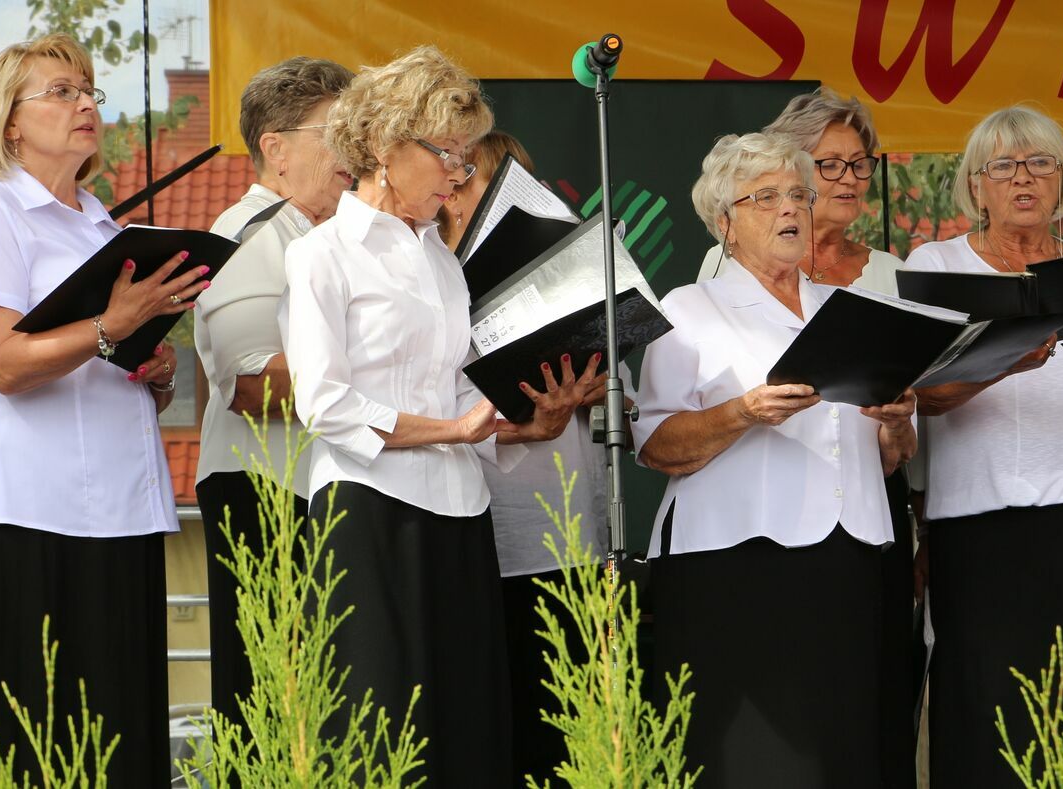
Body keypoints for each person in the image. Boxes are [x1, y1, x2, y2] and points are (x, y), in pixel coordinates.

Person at [282, 45, 600, 787]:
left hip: (461, 510)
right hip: (369, 511)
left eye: (464, 157)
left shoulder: (441, 260)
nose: (459, 175)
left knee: (467, 719)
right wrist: (454, 431)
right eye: (447, 154)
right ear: (385, 145)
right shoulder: (323, 253)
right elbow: (323, 402)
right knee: (386, 723)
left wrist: (525, 425)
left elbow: (456, 394)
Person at [0, 33, 209, 786]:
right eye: (61, 91)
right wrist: (110, 327)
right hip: (20, 509)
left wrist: (154, 368)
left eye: (89, 90)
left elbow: (107, 357)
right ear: (10, 121)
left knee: (116, 739)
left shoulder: (107, 229)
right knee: (26, 741)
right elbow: (1, 362)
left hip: (121, 510)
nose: (85, 102)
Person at [633, 132, 916, 787]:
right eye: (765, 197)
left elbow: (892, 459)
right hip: (737, 562)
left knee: (842, 748)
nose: (789, 208)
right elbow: (656, 445)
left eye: (798, 195)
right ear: (724, 223)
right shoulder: (689, 308)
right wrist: (743, 412)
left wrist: (896, 424)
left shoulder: (849, 311)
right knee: (751, 758)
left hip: (848, 559)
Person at [905, 105, 1063, 788]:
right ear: (975, 186)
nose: (1024, 178)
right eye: (1004, 166)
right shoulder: (937, 265)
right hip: (983, 535)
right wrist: (1003, 362)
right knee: (991, 721)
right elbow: (920, 395)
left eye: (1041, 163)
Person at [439, 129, 623, 786]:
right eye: (487, 184)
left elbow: (619, 384)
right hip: (480, 526)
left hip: (569, 529)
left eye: (519, 186)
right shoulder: (430, 272)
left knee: (566, 733)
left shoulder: (565, 259)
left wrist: (599, 382)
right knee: (492, 725)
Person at [194, 56, 353, 741]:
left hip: (315, 495)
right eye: (336, 133)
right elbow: (253, 386)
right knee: (272, 714)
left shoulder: (329, 237)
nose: (355, 150)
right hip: (265, 495)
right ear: (275, 149)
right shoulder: (252, 231)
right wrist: (377, 366)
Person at [696, 87, 902, 296]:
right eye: (831, 165)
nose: (850, 179)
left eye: (859, 164)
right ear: (794, 169)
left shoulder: (891, 273)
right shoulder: (730, 260)